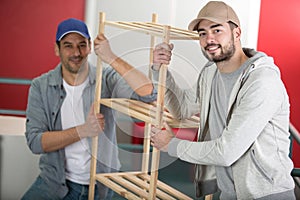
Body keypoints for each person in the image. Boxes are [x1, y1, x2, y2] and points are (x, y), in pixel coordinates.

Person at [150, 1, 296, 199]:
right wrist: (160, 71)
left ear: (237, 33)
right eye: (202, 33)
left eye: (217, 30)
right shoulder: (210, 73)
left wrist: (171, 144)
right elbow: (182, 109)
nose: (209, 39)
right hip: (228, 192)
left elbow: (227, 151)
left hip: (266, 194)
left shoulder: (262, 81)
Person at [22, 18, 156, 200]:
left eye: (82, 45)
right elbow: (35, 142)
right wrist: (83, 130)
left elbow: (147, 93)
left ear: (90, 47)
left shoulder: (106, 78)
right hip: (54, 183)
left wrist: (110, 57)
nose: (76, 53)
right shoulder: (41, 86)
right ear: (57, 49)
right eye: (68, 45)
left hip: (100, 186)